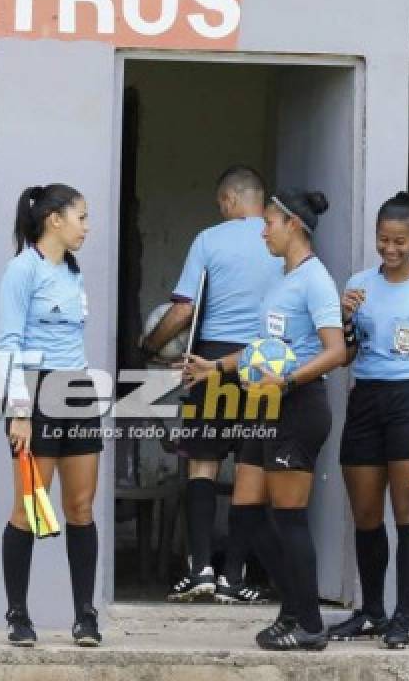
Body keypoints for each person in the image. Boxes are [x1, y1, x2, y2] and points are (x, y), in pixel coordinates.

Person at [182, 188, 346, 651]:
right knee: (247, 514)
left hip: (299, 406)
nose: (263, 230)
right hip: (266, 405)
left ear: (293, 225)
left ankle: (309, 623)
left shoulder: (316, 280)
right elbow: (261, 351)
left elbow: (335, 351)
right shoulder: (280, 277)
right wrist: (214, 367)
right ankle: (291, 609)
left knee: (290, 518)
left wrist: (289, 382)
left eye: (270, 222)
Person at [140, 166, 283, 603]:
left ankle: (200, 568)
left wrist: (150, 345)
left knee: (202, 463)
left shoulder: (210, 239)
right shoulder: (284, 239)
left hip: (212, 359)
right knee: (250, 471)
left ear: (228, 200)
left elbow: (183, 312)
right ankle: (233, 579)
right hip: (265, 360)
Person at [327, 192, 409, 649]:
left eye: (400, 241)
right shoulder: (359, 284)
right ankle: (371, 611)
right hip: (366, 400)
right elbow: (345, 356)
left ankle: (405, 615)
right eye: (384, 239)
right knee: (365, 514)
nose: (390, 248)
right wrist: (343, 317)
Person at [0, 183, 103, 648]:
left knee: (80, 507)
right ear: (54, 219)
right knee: (30, 510)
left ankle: (85, 615)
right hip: (35, 395)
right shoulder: (22, 270)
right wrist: (20, 412)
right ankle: (18, 615)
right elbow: (9, 344)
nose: (87, 226)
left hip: (76, 389)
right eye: (81, 217)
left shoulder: (74, 272)